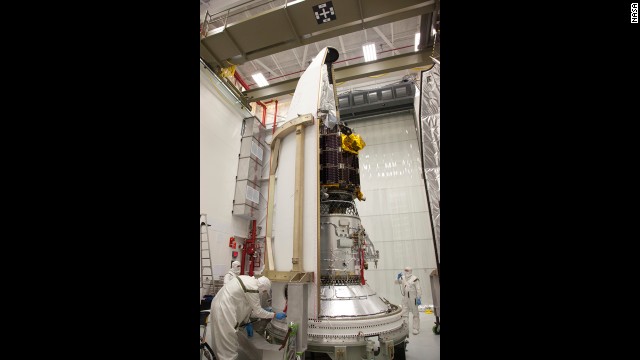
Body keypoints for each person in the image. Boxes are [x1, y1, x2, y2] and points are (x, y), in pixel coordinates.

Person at [209, 275, 286, 360]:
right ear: (263, 287)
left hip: (218, 305)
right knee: (228, 344)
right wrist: (274, 315)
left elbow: (245, 306)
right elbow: (259, 311)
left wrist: (247, 321)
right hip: (225, 311)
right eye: (264, 291)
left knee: (221, 341)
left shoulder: (247, 280)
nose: (262, 293)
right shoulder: (253, 288)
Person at [395, 266, 422, 335]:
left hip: (413, 298)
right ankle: (405, 328)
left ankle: (415, 328)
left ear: (410, 271)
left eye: (407, 270)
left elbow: (418, 289)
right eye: (405, 270)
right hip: (405, 298)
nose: (406, 272)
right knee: (404, 313)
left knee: (415, 313)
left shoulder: (415, 279)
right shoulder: (403, 278)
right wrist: (397, 278)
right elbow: (396, 282)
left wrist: (418, 298)